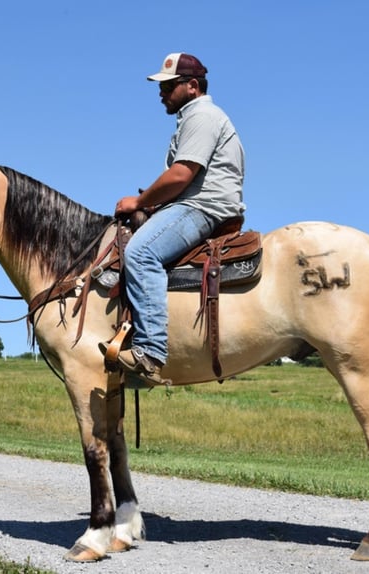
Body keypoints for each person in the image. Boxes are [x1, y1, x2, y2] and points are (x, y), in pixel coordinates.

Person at [105, 52, 246, 385]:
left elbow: (182, 175)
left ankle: (150, 351)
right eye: (162, 87)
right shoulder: (192, 118)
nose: (162, 93)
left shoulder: (203, 116)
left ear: (192, 86)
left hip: (204, 207)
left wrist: (138, 201)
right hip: (196, 203)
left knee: (141, 252)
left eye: (169, 86)